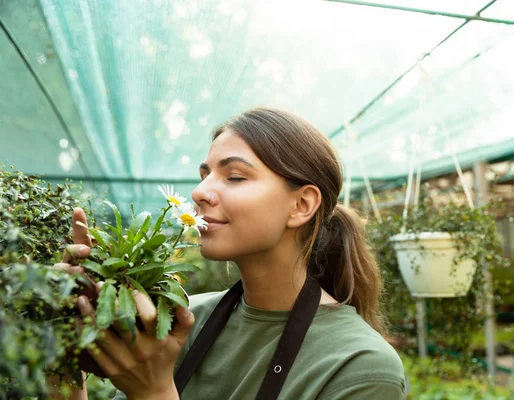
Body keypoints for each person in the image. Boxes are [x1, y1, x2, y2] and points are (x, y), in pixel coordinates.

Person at [52, 107, 406, 400]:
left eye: (234, 177)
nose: (200, 192)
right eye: (205, 175)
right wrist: (62, 343)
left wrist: (154, 392)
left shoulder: (360, 366)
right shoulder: (179, 321)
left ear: (301, 204)